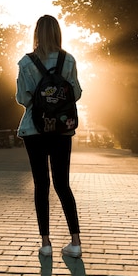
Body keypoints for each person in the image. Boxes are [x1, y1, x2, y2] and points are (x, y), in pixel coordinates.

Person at [16, 15, 83, 258]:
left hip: (35, 129)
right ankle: (75, 242)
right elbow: (75, 93)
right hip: (62, 129)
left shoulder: (26, 62)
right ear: (57, 32)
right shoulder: (69, 60)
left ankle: (45, 243)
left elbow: (23, 99)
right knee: (62, 184)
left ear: (37, 33)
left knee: (41, 184)